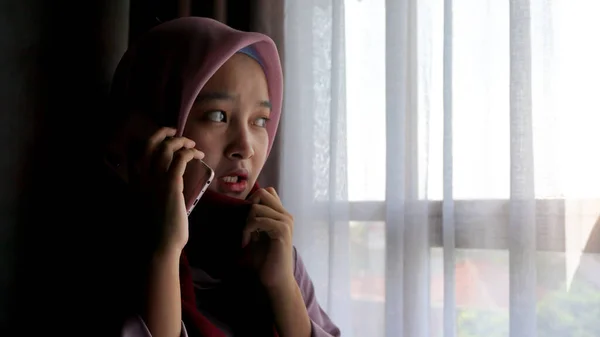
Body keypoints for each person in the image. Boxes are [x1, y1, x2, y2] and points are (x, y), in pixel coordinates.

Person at [101, 17, 341, 337]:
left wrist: (282, 286)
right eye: (218, 116)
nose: (245, 147)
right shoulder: (106, 246)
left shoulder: (268, 245)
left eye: (260, 120)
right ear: (154, 128)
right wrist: (164, 250)